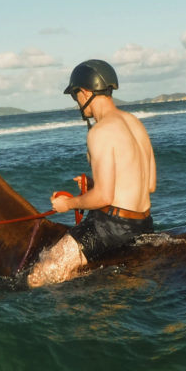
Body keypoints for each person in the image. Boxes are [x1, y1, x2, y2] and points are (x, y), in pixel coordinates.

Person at [26, 59, 157, 288]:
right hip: (144, 223)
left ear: (85, 93)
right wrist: (94, 184)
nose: (77, 102)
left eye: (75, 95)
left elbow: (104, 198)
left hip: (111, 228)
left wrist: (68, 204)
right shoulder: (134, 122)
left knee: (39, 275)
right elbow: (149, 185)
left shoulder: (100, 131)